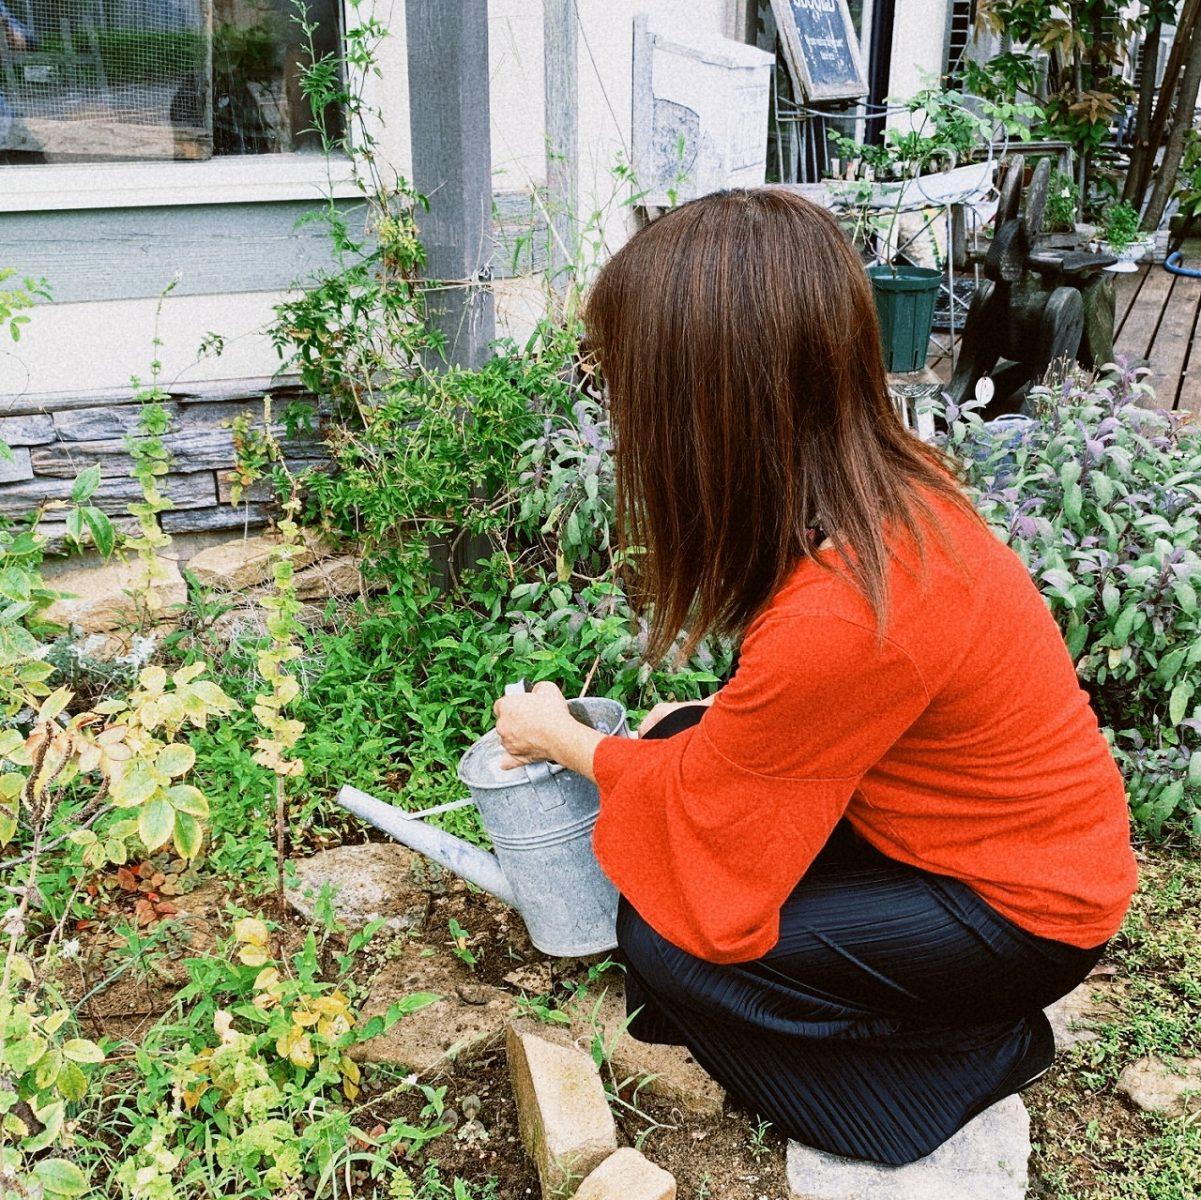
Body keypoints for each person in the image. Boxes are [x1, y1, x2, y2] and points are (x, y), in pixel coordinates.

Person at [491, 188, 1137, 1166]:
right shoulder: (886, 491)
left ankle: (960, 1062)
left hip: (1020, 909)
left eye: (619, 379)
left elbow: (725, 823)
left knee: (670, 944)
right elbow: (793, 736)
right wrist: (684, 730)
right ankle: (934, 1020)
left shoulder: (850, 606)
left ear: (701, 398)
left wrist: (558, 739)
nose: (618, 407)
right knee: (675, 760)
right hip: (972, 842)